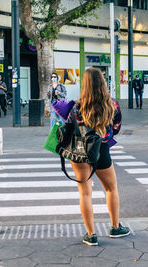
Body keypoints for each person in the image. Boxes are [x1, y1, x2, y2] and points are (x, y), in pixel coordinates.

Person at [53, 67, 129, 246]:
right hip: (101, 150)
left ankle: (91, 234)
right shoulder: (113, 104)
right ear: (102, 83)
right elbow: (116, 128)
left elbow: (69, 127)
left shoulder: (77, 106)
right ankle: (115, 227)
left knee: (85, 193)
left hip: (80, 153)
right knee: (111, 189)